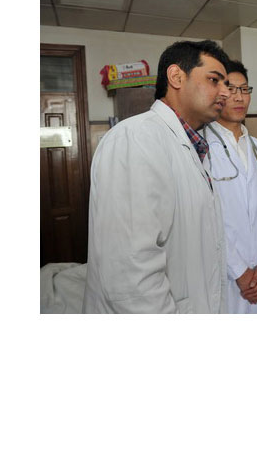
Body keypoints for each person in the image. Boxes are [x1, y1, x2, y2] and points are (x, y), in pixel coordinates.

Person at [82, 40, 232, 313]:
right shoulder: (137, 137)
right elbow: (130, 273)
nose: (225, 92)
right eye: (214, 80)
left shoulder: (191, 145)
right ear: (176, 77)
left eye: (226, 84)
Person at [204, 60, 257, 313]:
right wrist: (239, 271)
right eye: (231, 89)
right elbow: (204, 217)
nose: (239, 97)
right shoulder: (201, 148)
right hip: (223, 277)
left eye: (244, 89)